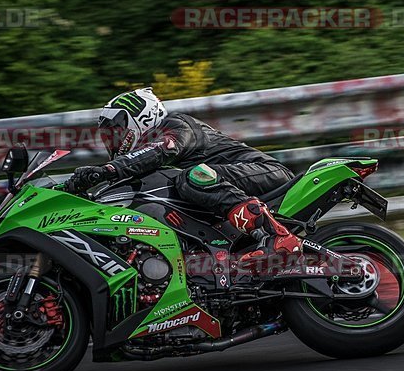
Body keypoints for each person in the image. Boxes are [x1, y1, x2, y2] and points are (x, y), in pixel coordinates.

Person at [63, 88, 302, 271]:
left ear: (141, 119)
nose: (113, 141)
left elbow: (160, 151)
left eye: (117, 132)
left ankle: (277, 236)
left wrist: (107, 169)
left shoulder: (176, 126)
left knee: (192, 177)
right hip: (231, 185)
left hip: (265, 172)